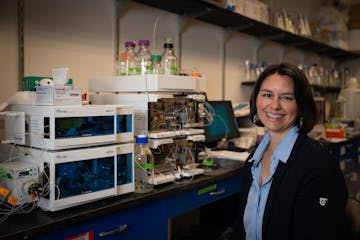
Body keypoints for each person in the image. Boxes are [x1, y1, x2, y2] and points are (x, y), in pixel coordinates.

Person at [219, 63, 347, 240]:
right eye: (267, 95)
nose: (275, 105)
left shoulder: (318, 167)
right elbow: (243, 227)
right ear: (256, 101)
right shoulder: (253, 161)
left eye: (286, 98)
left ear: (301, 106)